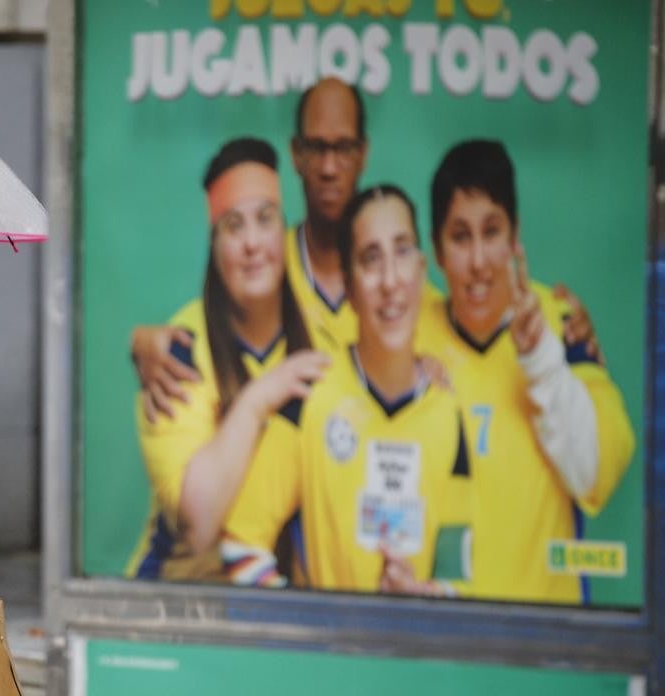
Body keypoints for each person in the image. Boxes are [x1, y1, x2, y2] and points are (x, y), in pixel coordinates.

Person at [220, 186, 471, 595]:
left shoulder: (448, 412)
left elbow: (459, 575)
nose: (390, 280)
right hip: (330, 658)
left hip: (415, 657)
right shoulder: (310, 399)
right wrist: (307, 630)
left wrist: (428, 598)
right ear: (350, 288)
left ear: (423, 272)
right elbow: (240, 547)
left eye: (403, 251)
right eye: (371, 259)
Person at [418, 140, 634, 604]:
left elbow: (593, 474)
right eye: (459, 237)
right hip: (440, 646)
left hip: (544, 643)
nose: (478, 261)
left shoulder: (561, 325)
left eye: (491, 232)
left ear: (516, 236)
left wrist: (542, 361)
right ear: (436, 250)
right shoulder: (407, 336)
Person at [126, 138, 328, 581]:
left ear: (284, 231)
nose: (253, 242)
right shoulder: (179, 353)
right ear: (215, 246)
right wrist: (258, 400)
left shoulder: (321, 333)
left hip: (282, 600)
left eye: (265, 219)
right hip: (178, 600)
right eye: (234, 226)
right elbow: (197, 525)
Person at [131, 77, 368, 422]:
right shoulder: (263, 265)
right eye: (317, 148)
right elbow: (196, 329)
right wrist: (140, 344)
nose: (329, 168)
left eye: (343, 148)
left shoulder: (393, 286)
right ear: (297, 154)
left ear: (363, 153)